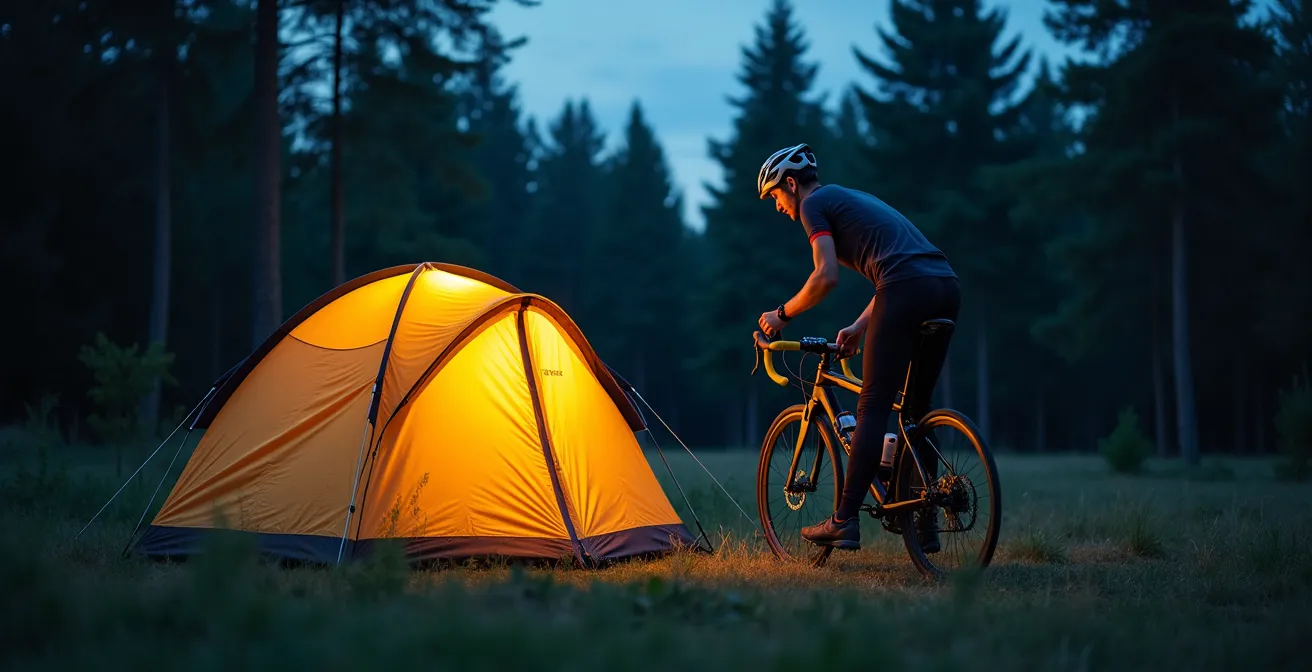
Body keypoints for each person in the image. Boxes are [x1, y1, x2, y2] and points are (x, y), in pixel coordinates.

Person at [754, 142, 960, 553]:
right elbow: (895, 269)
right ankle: (926, 522)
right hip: (945, 286)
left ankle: (844, 520)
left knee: (872, 407)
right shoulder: (849, 199)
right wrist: (861, 326)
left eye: (776, 196)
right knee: (915, 413)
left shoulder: (814, 206)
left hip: (905, 287)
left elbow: (825, 276)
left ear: (792, 184)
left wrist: (782, 314)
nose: (778, 207)